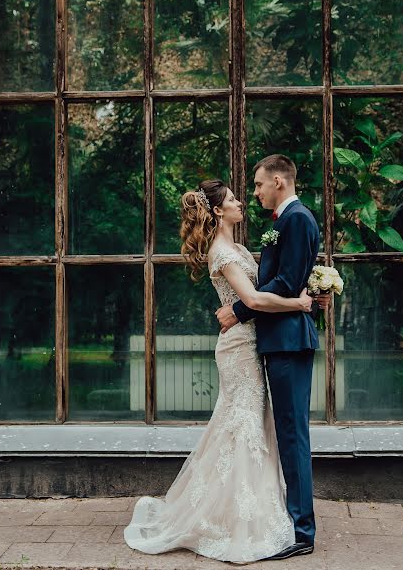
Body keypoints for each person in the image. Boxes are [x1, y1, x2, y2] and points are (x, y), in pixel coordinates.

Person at [124, 177, 328, 564]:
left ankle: (244, 509)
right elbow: (252, 297)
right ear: (217, 210)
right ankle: (236, 517)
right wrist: (298, 305)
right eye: (234, 199)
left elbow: (275, 283)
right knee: (242, 426)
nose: (243, 202)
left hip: (254, 341)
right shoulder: (222, 252)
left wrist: (309, 290)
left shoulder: (237, 247)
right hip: (239, 349)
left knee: (249, 427)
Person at [216, 154, 322, 560]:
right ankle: (293, 521)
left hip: (288, 341)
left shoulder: (296, 219)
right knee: (287, 434)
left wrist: (238, 310)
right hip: (279, 339)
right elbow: (293, 283)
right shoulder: (285, 221)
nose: (255, 191)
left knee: (293, 435)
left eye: (259, 184)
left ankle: (301, 532)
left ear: (279, 181)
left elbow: (288, 282)